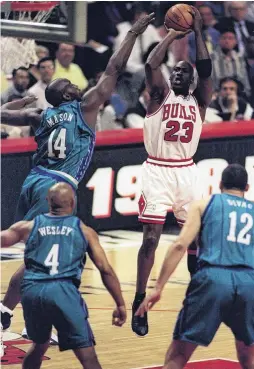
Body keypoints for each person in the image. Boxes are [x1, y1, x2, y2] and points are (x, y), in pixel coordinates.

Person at [0, 13, 155, 333]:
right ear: (69, 95)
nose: (75, 84)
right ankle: (13, 313)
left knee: (36, 255)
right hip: (55, 187)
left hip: (33, 181)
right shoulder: (85, 106)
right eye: (70, 84)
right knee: (42, 258)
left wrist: (21, 104)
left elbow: (1, 114)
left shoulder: (39, 115)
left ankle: (14, 312)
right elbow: (114, 68)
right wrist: (134, 34)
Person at [131, 6, 213, 336]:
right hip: (157, 170)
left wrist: (200, 34)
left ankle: (197, 298)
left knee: (196, 237)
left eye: (184, 73)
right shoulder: (158, 96)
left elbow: (207, 69)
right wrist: (171, 36)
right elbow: (152, 63)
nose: (178, 75)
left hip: (187, 172)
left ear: (191, 81)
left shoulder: (200, 101)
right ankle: (139, 302)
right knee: (150, 239)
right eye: (175, 72)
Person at [136, 164, 254, 369]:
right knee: (250, 360)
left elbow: (179, 245)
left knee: (176, 357)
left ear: (220, 185)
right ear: (247, 188)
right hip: (250, 283)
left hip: (214, 278)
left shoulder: (203, 205)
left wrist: (158, 288)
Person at [1, 183, 126, 369]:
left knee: (38, 346)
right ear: (73, 202)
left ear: (47, 202)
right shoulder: (84, 231)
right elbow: (105, 269)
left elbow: (3, 239)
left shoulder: (28, 226)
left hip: (33, 292)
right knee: (88, 356)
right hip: (63, 292)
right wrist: (120, 303)